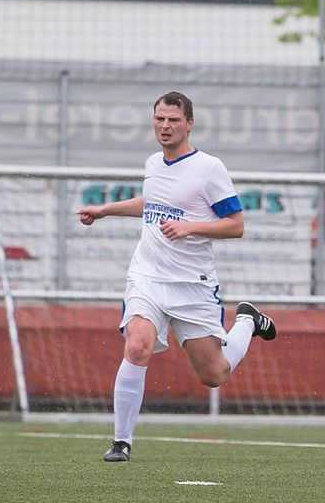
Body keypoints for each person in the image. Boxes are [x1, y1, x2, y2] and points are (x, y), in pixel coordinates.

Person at [76, 92, 278, 463]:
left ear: (189, 123)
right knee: (137, 344)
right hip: (147, 277)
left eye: (173, 120)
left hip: (193, 285)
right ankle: (121, 442)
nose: (165, 126)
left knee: (214, 375)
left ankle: (247, 320)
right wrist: (105, 210)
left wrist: (190, 228)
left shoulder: (209, 168)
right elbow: (150, 203)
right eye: (159, 119)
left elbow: (236, 225)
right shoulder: (154, 162)